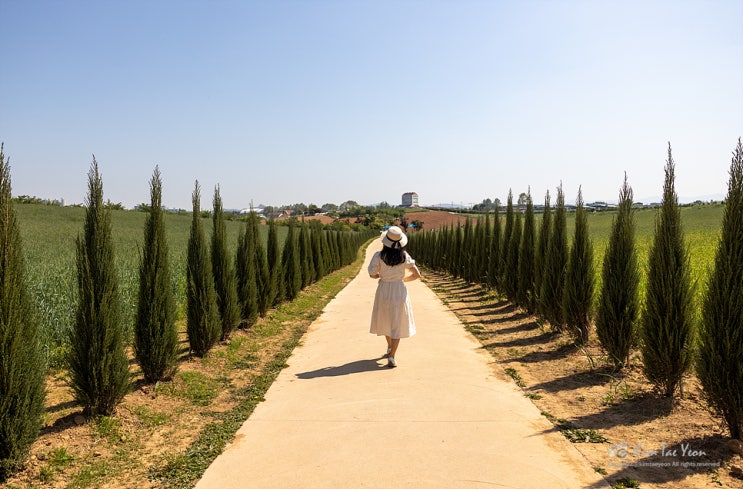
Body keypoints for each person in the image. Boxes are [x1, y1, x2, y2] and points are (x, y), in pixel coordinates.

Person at [368, 226, 421, 368]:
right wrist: (403, 280)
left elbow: (371, 274)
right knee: (397, 321)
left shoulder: (378, 256)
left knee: (386, 319)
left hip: (384, 289)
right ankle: (392, 356)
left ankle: (390, 347)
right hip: (399, 290)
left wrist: (380, 276)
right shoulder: (404, 256)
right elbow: (417, 274)